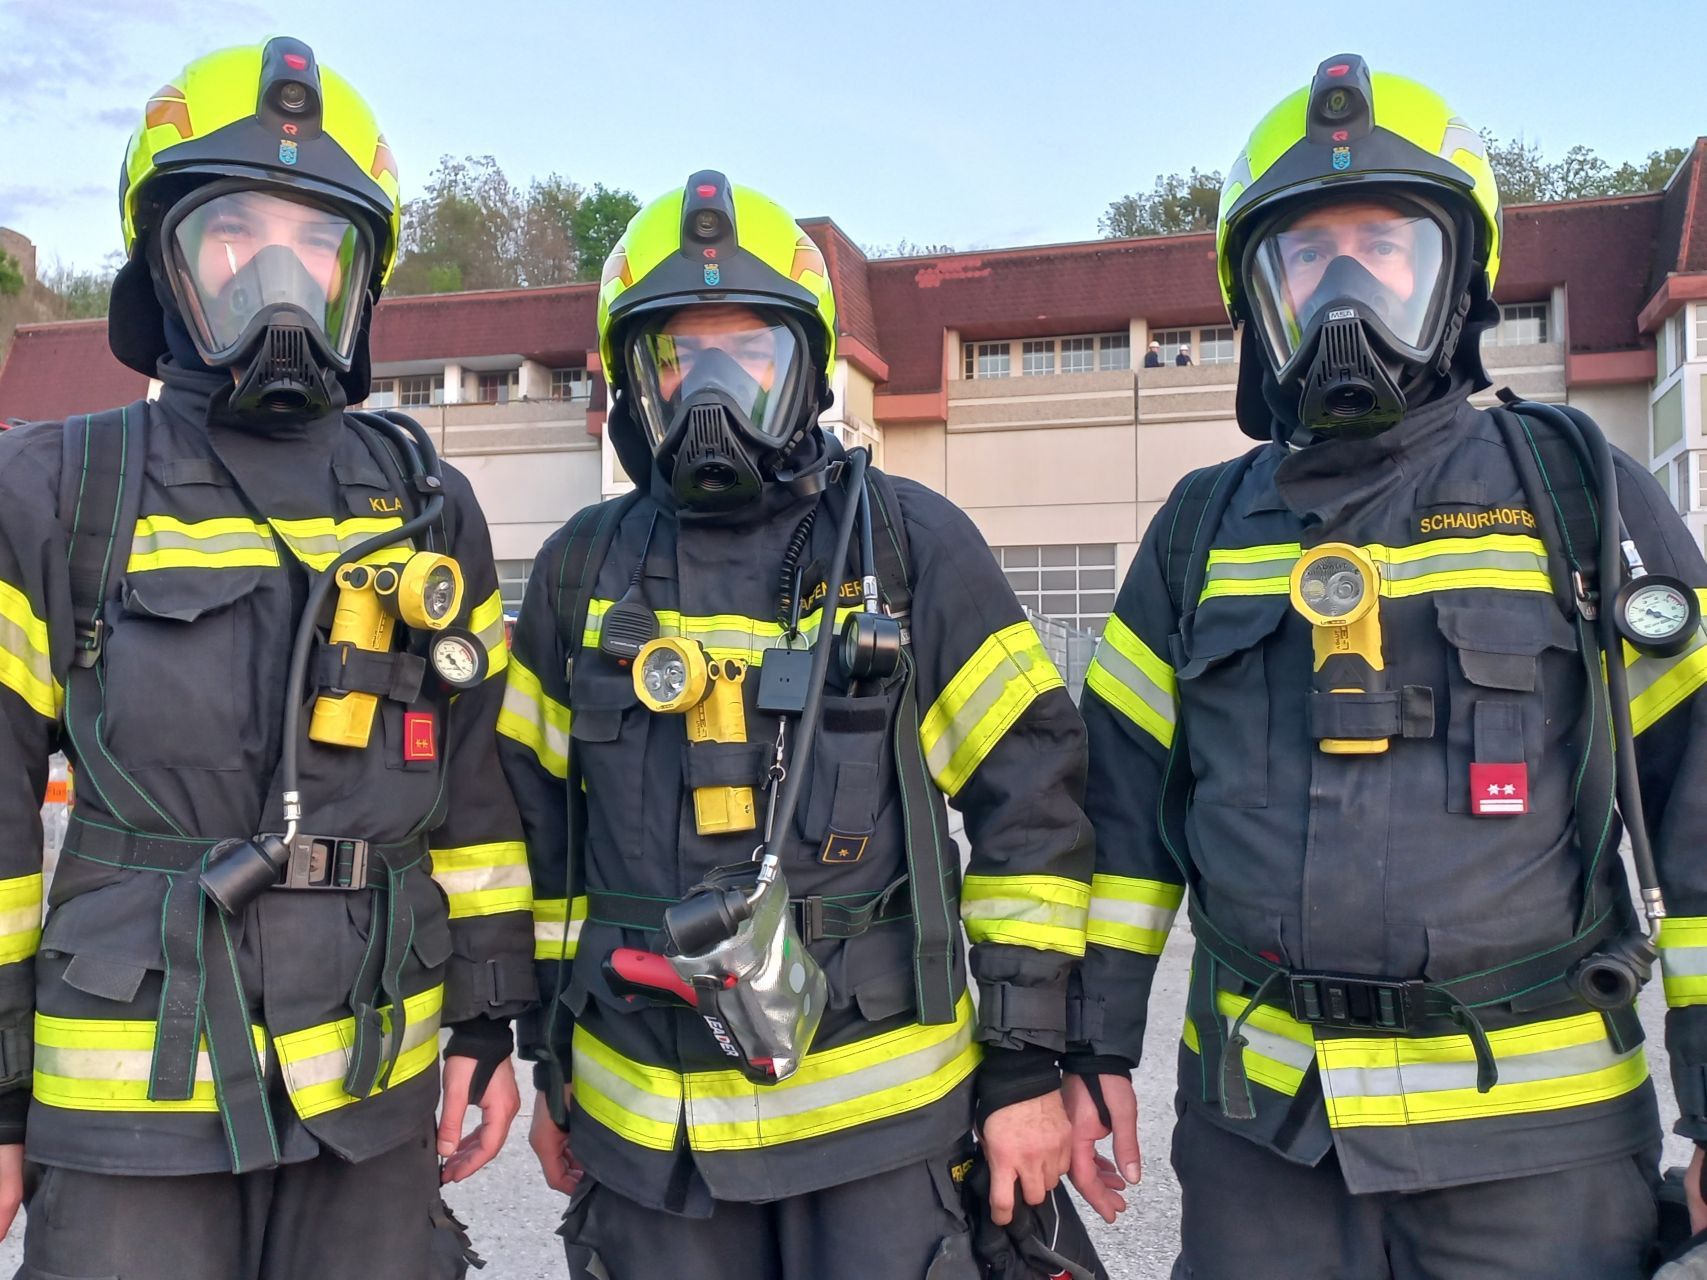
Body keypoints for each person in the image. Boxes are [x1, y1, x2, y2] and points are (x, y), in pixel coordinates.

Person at [1064, 53, 1707, 1279]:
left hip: (1539, 1154)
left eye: (1385, 249)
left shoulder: (1578, 493)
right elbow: (1118, 824)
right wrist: (1089, 1050)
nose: (1346, 288)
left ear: (1456, 278)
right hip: (1265, 1147)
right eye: (1309, 257)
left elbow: (1701, 806)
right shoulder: (1202, 531)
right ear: (1259, 296)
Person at [499, 171, 1095, 1280]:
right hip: (648, 1143)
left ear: (808, 370)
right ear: (632, 379)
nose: (712, 392)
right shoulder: (579, 571)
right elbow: (535, 837)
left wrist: (1024, 1069)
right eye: (679, 357)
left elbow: (1033, 807)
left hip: (877, 1140)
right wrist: (547, 1059)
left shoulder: (910, 549)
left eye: (750, 354)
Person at [0, 38, 532, 1278]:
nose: (278, 273)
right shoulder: (55, 487)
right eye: (235, 232)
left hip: (373, 1095)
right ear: (165, 259)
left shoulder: (429, 504)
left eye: (317, 239)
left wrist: (489, 1020)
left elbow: (478, 792)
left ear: (360, 275)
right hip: (132, 1106)